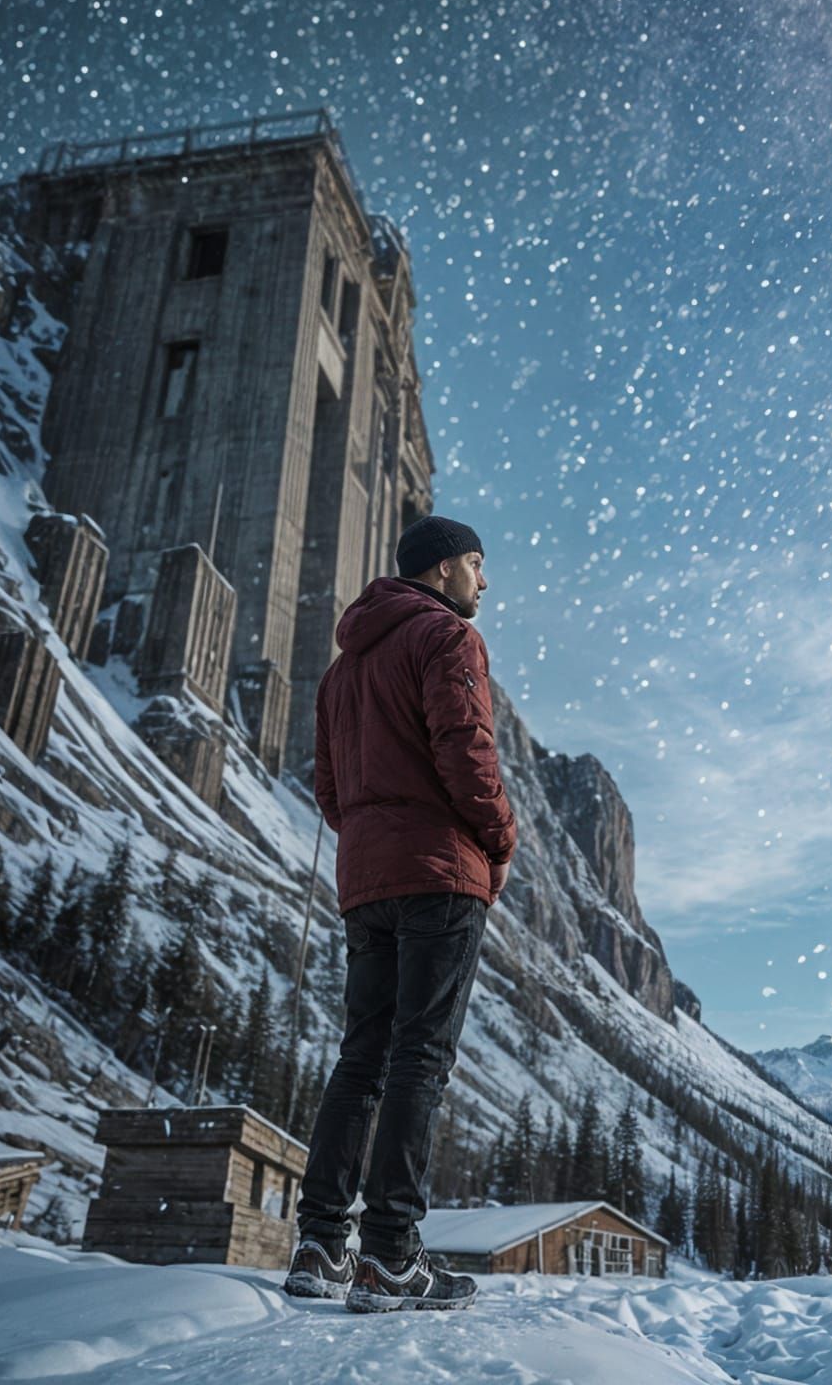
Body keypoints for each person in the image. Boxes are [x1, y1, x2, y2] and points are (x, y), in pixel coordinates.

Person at [284, 515, 517, 1313]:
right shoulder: (448, 640)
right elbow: (467, 753)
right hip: (440, 873)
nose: (485, 583)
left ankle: (319, 1244)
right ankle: (390, 1252)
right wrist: (500, 838)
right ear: (446, 567)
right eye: (479, 566)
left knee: (362, 1056)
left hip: (366, 880)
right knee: (421, 1057)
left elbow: (329, 792)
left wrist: (376, 841)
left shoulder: (341, 670)